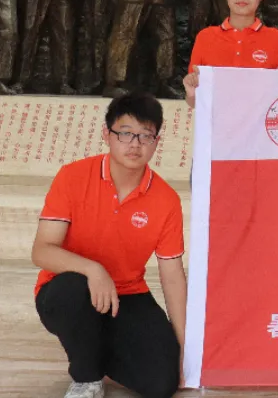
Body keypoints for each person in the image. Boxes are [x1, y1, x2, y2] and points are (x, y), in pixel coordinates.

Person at [31, 92, 185, 398]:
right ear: (107, 134)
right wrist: (93, 270)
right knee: (73, 290)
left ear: (156, 142)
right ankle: (86, 377)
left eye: (145, 136)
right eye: (125, 133)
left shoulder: (166, 200)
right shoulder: (73, 177)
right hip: (68, 291)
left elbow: (172, 277)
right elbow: (42, 250)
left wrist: (183, 348)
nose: (135, 144)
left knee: (162, 384)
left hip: (128, 294)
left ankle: (93, 346)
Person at [183, 0, 278, 108]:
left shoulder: (277, 40)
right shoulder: (205, 38)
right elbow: (195, 103)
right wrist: (191, 93)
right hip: (219, 122)